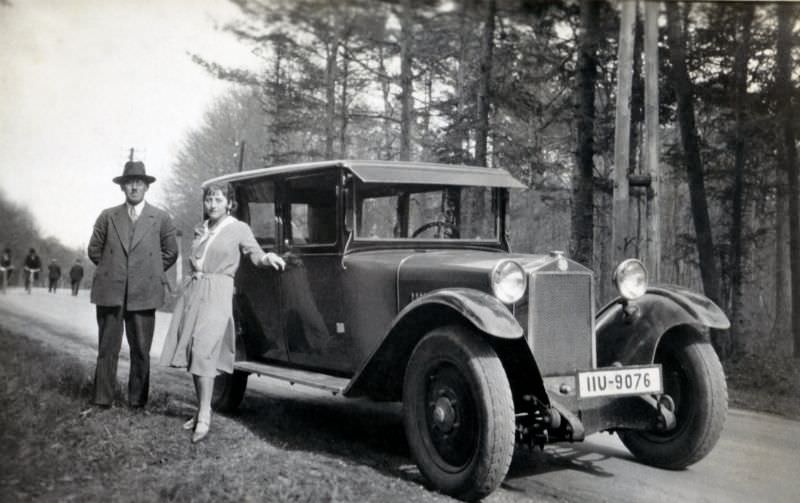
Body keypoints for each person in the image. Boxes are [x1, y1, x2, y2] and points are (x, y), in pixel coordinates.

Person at [159, 182, 285, 443]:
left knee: (205, 347)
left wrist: (267, 258)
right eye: (208, 200)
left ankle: (205, 413)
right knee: (193, 350)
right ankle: (202, 408)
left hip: (218, 291)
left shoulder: (238, 228)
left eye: (218, 200)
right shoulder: (201, 229)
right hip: (194, 291)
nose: (212, 205)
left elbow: (254, 253)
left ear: (229, 203)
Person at [88, 160, 178, 409]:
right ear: (123, 188)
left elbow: (170, 253)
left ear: (147, 187)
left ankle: (137, 403)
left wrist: (146, 272)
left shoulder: (160, 218)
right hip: (111, 292)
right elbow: (94, 250)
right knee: (107, 348)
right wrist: (114, 269)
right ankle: (102, 399)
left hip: (144, 292)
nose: (134, 188)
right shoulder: (107, 216)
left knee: (140, 350)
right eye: (129, 183)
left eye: (139, 183)